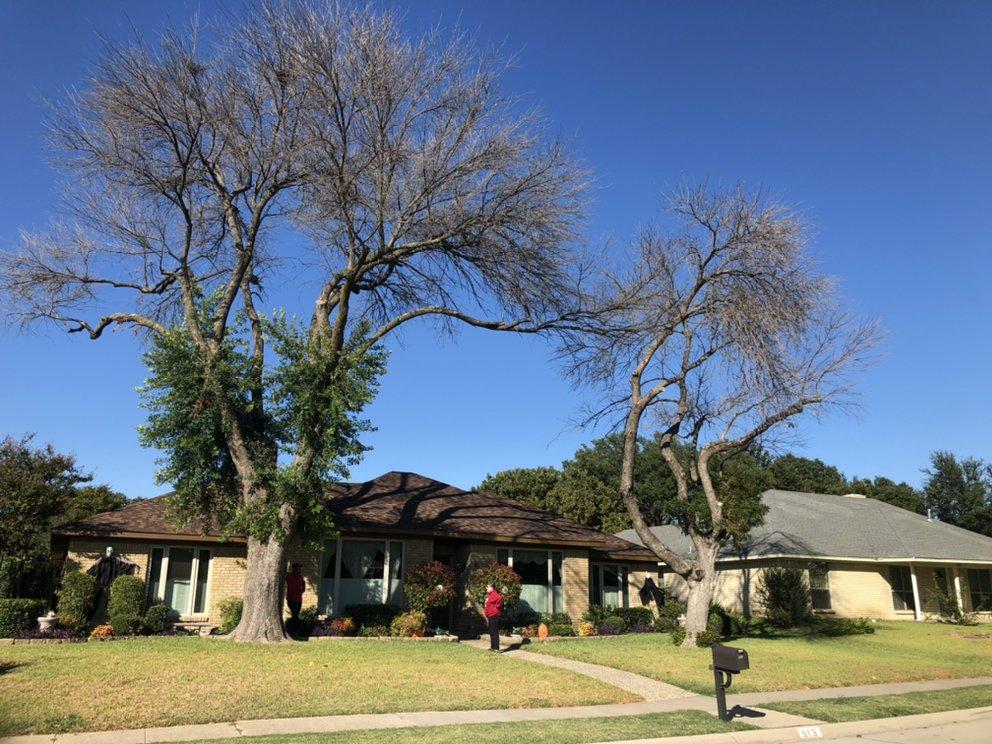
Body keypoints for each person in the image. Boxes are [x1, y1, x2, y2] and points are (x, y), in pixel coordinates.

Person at [483, 582, 503, 652]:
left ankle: (496, 648)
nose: (486, 588)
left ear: (492, 587)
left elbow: (499, 598)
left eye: (487, 587)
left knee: (494, 632)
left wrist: (495, 608)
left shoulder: (495, 594)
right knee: (491, 631)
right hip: (490, 616)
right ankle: (492, 647)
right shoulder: (490, 595)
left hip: (494, 616)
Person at [286, 563, 306, 633]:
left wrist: (300, 592)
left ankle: (294, 630)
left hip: (299, 600)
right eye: (298, 568)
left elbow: (303, 587)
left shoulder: (301, 577)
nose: (300, 570)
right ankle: (293, 630)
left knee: (296, 615)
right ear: (294, 569)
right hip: (291, 599)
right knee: (294, 615)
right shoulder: (289, 576)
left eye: (300, 569)